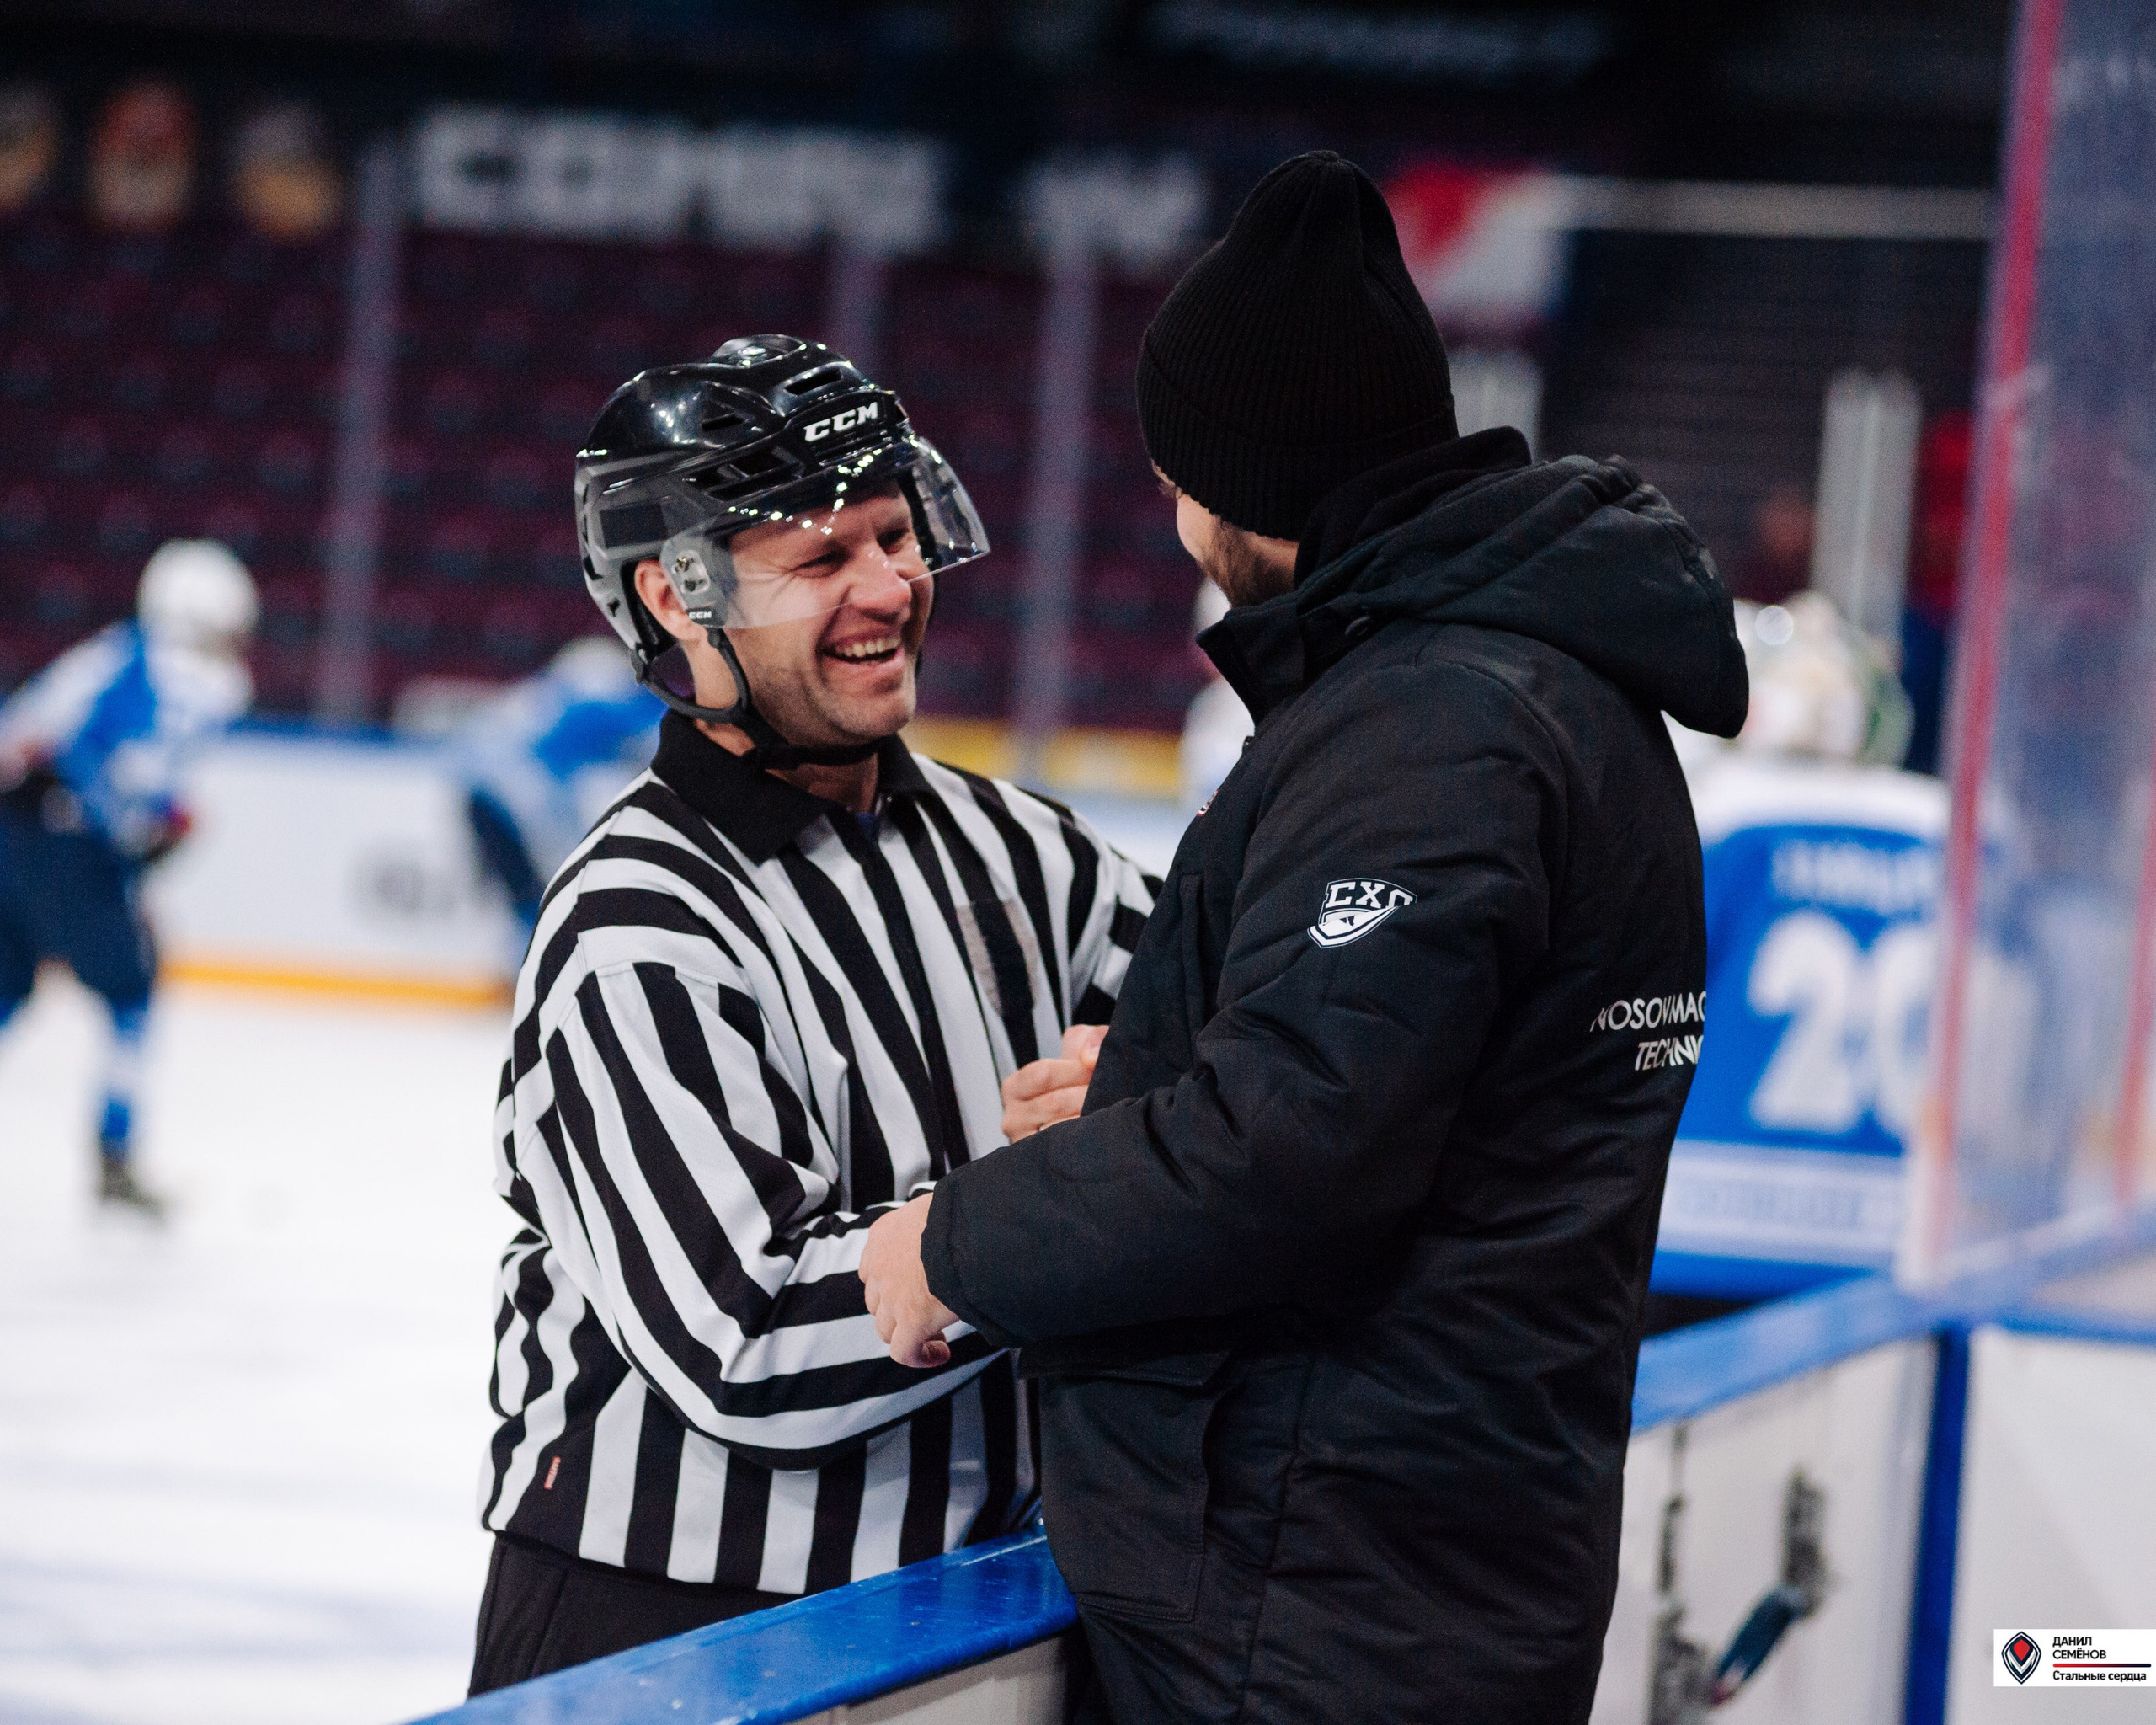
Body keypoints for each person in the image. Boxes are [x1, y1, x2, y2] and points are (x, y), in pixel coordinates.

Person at [861, 152, 1749, 1722]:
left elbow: (1287, 1154)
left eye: (1177, 471)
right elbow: (1424, 1084)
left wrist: (954, 1240)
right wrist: (1157, 1076)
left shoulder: (1435, 726)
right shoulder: (1533, 686)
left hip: (1322, 1599)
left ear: (1246, 479)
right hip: (1413, 1563)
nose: (1171, 510)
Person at [468, 336, 1155, 1694]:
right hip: (673, 1628)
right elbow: (747, 1342)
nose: (889, 585)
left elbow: (1230, 1060)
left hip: (971, 1607)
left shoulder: (1026, 850)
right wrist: (1056, 1205)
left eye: (894, 535)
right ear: (677, 595)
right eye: (822, 556)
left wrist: (1147, 1100)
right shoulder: (640, 926)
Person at [0, 538, 257, 1217]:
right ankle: (115, 1155)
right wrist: (127, 850)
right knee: (131, 992)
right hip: (65, 845)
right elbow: (109, 776)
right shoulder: (197, 681)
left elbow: (30, 737)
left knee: (8, 987)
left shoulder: (115, 653)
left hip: (21, 834)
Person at [447, 634, 661, 946]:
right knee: (550, 892)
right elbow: (646, 735)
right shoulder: (598, 691)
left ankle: (533, 954)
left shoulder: (549, 693)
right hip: (512, 799)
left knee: (529, 894)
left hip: (482, 792)